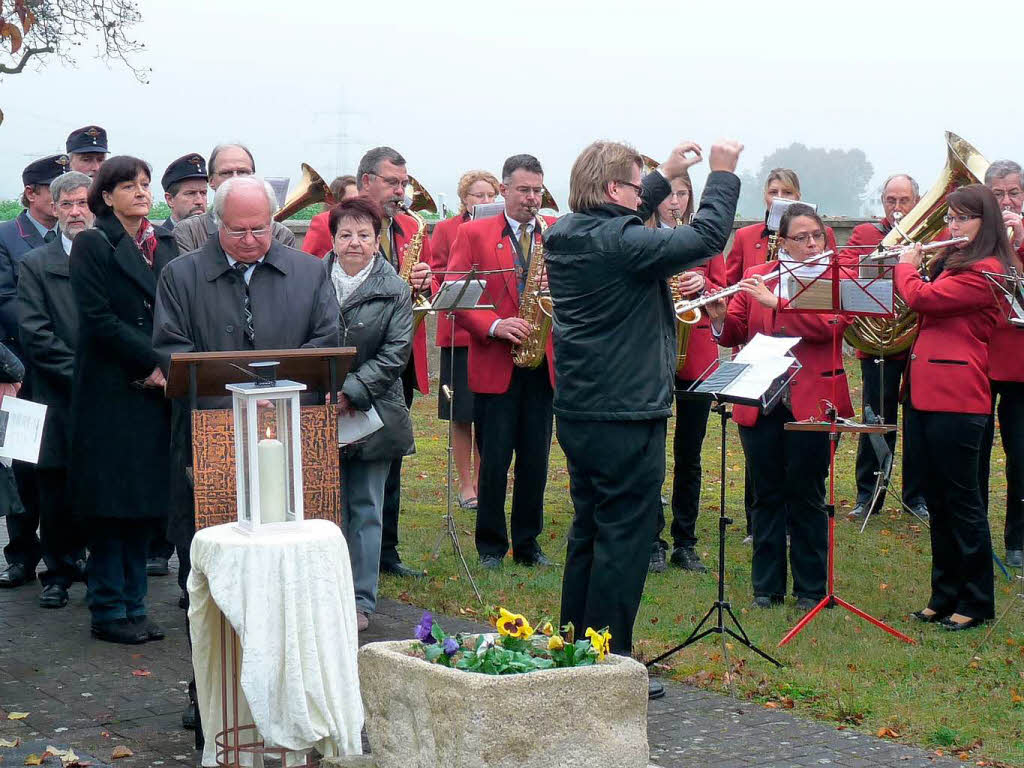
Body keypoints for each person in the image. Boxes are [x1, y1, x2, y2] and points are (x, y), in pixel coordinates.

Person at [545, 139, 740, 700]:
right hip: (626, 410)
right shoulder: (623, 241)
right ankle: (608, 661)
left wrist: (665, 172)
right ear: (613, 190)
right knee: (626, 537)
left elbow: (623, 212)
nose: (645, 197)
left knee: (590, 527)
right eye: (637, 187)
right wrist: (722, 177)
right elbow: (704, 238)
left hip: (582, 408)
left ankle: (575, 649)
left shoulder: (566, 232)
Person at [153, 174, 339, 730]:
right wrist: (233, 382)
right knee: (209, 566)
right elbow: (171, 349)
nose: (252, 239)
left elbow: (327, 340)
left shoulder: (307, 272)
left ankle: (291, 686)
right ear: (216, 224)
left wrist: (277, 381)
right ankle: (206, 686)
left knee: (288, 562)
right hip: (210, 441)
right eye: (239, 230)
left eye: (262, 228)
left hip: (292, 439)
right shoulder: (181, 276)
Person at [708, 203, 854, 612]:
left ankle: (811, 589)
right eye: (801, 238)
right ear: (782, 241)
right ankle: (766, 589)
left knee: (806, 492)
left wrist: (780, 304)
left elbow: (831, 326)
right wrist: (719, 319)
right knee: (766, 493)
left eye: (816, 236)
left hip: (812, 400)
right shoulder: (758, 276)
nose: (811, 245)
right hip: (761, 400)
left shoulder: (833, 277)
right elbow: (737, 331)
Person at [69, 155, 176, 645]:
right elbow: (98, 318)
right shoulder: (93, 244)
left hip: (153, 393)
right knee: (111, 506)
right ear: (106, 196)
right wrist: (152, 362)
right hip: (113, 391)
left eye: (145, 184)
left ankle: (136, 605)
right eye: (129, 186)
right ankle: (108, 608)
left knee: (142, 504)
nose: (141, 192)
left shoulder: (162, 245)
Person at [899, 184, 1010, 630]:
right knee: (938, 501)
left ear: (986, 224)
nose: (953, 226)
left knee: (963, 502)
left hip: (959, 397)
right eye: (951, 218)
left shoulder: (987, 270)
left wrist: (905, 270)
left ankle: (977, 600)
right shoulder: (955, 264)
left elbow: (922, 300)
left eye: (964, 218)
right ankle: (943, 594)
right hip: (925, 392)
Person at [447, 156, 555, 569]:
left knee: (536, 459)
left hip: (541, 362)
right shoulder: (474, 233)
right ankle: (491, 545)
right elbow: (456, 295)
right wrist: (494, 326)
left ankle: (529, 544)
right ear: (505, 190)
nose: (532, 198)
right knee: (494, 458)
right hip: (496, 359)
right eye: (524, 190)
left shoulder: (553, 233)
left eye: (537, 191)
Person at [324, 197, 413, 631]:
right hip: (317, 407)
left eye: (363, 235)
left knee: (365, 505)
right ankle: (324, 593)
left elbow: (396, 353)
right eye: (345, 234)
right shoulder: (310, 279)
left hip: (373, 410)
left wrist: (351, 392)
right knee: (323, 506)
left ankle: (360, 600)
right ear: (333, 239)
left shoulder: (395, 288)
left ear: (376, 242)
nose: (354, 243)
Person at [16, 171, 93, 608]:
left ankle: (98, 568)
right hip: (55, 395)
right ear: (55, 209)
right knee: (55, 487)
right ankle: (59, 572)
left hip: (104, 397)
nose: (77, 212)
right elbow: (35, 333)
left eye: (84, 203)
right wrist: (81, 375)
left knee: (99, 483)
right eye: (68, 204)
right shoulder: (36, 265)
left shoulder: (112, 257)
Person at [355, 147, 432, 578]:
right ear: (366, 181)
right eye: (392, 182)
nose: (401, 192)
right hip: (358, 362)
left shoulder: (406, 227)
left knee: (393, 456)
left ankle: (387, 551)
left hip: (398, 361)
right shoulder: (338, 225)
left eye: (404, 183)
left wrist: (424, 277)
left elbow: (428, 283)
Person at [648, 171, 723, 574]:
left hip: (695, 356)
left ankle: (686, 540)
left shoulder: (704, 240)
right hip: (655, 355)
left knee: (689, 454)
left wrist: (705, 283)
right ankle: (652, 539)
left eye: (683, 194)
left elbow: (727, 293)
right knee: (652, 452)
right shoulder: (645, 236)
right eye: (669, 194)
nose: (675, 201)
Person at [0, 154, 68, 590]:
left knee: (62, 466)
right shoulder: (8, 236)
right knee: (23, 465)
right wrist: (42, 329)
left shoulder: (80, 236)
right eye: (54, 191)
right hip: (22, 369)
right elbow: (5, 297)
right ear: (33, 194)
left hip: (61, 368)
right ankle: (21, 553)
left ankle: (65, 557)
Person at [843, 174, 928, 522]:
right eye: (890, 200)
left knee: (920, 422)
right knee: (876, 422)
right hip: (879, 341)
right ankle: (869, 495)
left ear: (917, 202)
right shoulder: (866, 234)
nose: (896, 207)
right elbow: (846, 268)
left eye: (904, 200)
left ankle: (917, 497)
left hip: (919, 340)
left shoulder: (929, 236)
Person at [430, 170, 500, 508]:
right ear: (464, 199)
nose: (485, 202)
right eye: (478, 196)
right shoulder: (446, 229)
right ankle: (465, 484)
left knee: (488, 414)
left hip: (490, 334)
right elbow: (437, 275)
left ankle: (487, 483)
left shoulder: (502, 230)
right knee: (461, 412)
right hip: (458, 334)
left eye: (490, 196)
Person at [978, 160, 1024, 569]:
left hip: (1019, 364)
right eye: (998, 194)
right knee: (974, 451)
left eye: (1013, 193)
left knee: (1021, 454)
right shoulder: (972, 235)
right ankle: (973, 536)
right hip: (977, 358)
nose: (1007, 201)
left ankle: (1018, 538)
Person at [172, 143, 295, 254]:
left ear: (254, 176)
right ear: (211, 181)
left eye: (243, 172)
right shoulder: (188, 232)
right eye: (226, 173)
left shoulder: (280, 235)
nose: (235, 178)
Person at [724, 169, 838, 286]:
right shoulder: (745, 235)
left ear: (798, 197)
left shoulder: (824, 233)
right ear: (765, 197)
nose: (779, 198)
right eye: (773, 192)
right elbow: (729, 282)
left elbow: (834, 276)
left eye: (787, 192)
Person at [301, 175, 361, 258]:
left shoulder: (368, 221)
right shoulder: (323, 221)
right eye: (349, 202)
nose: (357, 205)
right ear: (335, 203)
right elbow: (306, 257)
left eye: (360, 200)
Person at [160, 154, 209, 232]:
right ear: (170, 199)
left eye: (203, 193)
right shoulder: (156, 242)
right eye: (191, 193)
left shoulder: (220, 235)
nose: (199, 201)